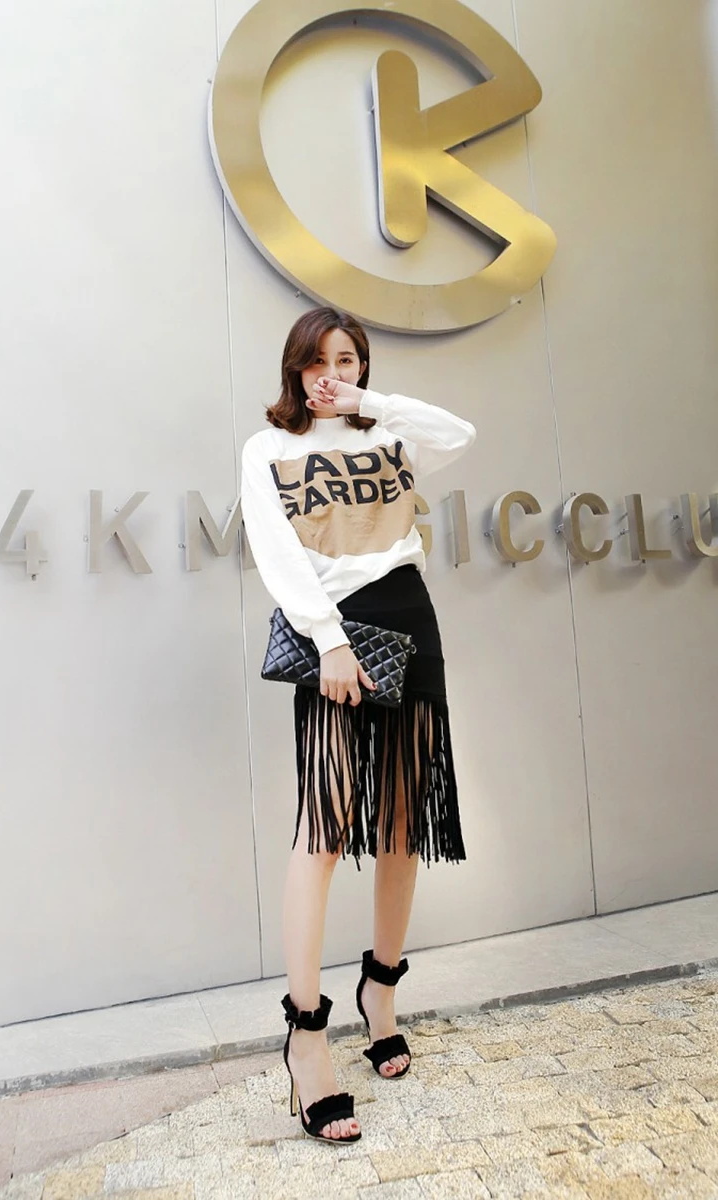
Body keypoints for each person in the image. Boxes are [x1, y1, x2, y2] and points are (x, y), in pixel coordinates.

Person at [240, 306, 476, 1143]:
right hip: (334, 633)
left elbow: (459, 434)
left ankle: (381, 991)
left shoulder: (389, 435)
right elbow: (277, 553)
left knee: (402, 823)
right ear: (294, 368)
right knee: (327, 830)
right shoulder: (267, 449)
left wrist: (368, 405)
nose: (331, 375)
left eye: (347, 361)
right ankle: (307, 1036)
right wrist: (329, 641)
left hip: (411, 619)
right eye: (318, 362)